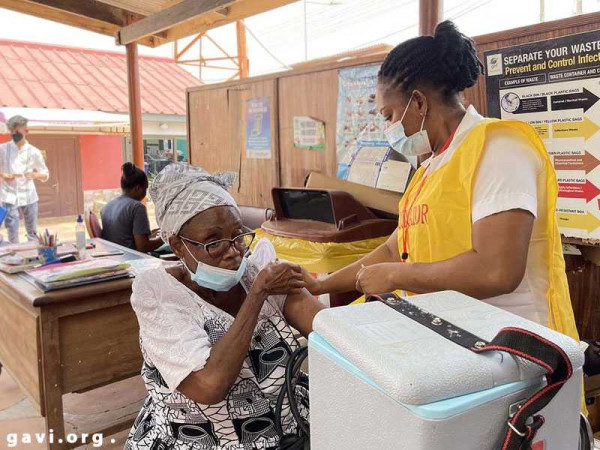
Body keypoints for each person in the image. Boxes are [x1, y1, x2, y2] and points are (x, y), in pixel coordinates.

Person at [302, 21, 578, 341]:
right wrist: (321, 285)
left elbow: (497, 270)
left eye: (389, 115)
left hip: (513, 345)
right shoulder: (430, 169)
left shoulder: (499, 148)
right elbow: (395, 250)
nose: (388, 128)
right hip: (454, 339)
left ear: (418, 102)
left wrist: (397, 276)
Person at [125, 164, 323, 450]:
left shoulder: (256, 270)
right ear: (178, 246)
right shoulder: (160, 297)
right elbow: (209, 386)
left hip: (289, 431)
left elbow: (325, 326)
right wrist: (257, 295)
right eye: (213, 242)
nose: (232, 251)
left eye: (237, 236)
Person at [0, 115, 49, 243]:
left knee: (32, 232)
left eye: (17, 131)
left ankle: (32, 257)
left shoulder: (34, 152)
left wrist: (35, 175)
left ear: (26, 131)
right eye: (12, 131)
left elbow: (45, 174)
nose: (14, 133)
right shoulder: (2, 149)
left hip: (29, 196)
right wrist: (3, 174)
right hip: (9, 195)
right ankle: (14, 258)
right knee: (12, 230)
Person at [101, 163, 163, 253]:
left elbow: (123, 236)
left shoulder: (107, 207)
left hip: (114, 259)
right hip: (133, 260)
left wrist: (149, 235)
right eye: (145, 189)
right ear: (138, 188)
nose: (145, 193)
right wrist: (164, 238)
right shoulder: (137, 207)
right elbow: (143, 247)